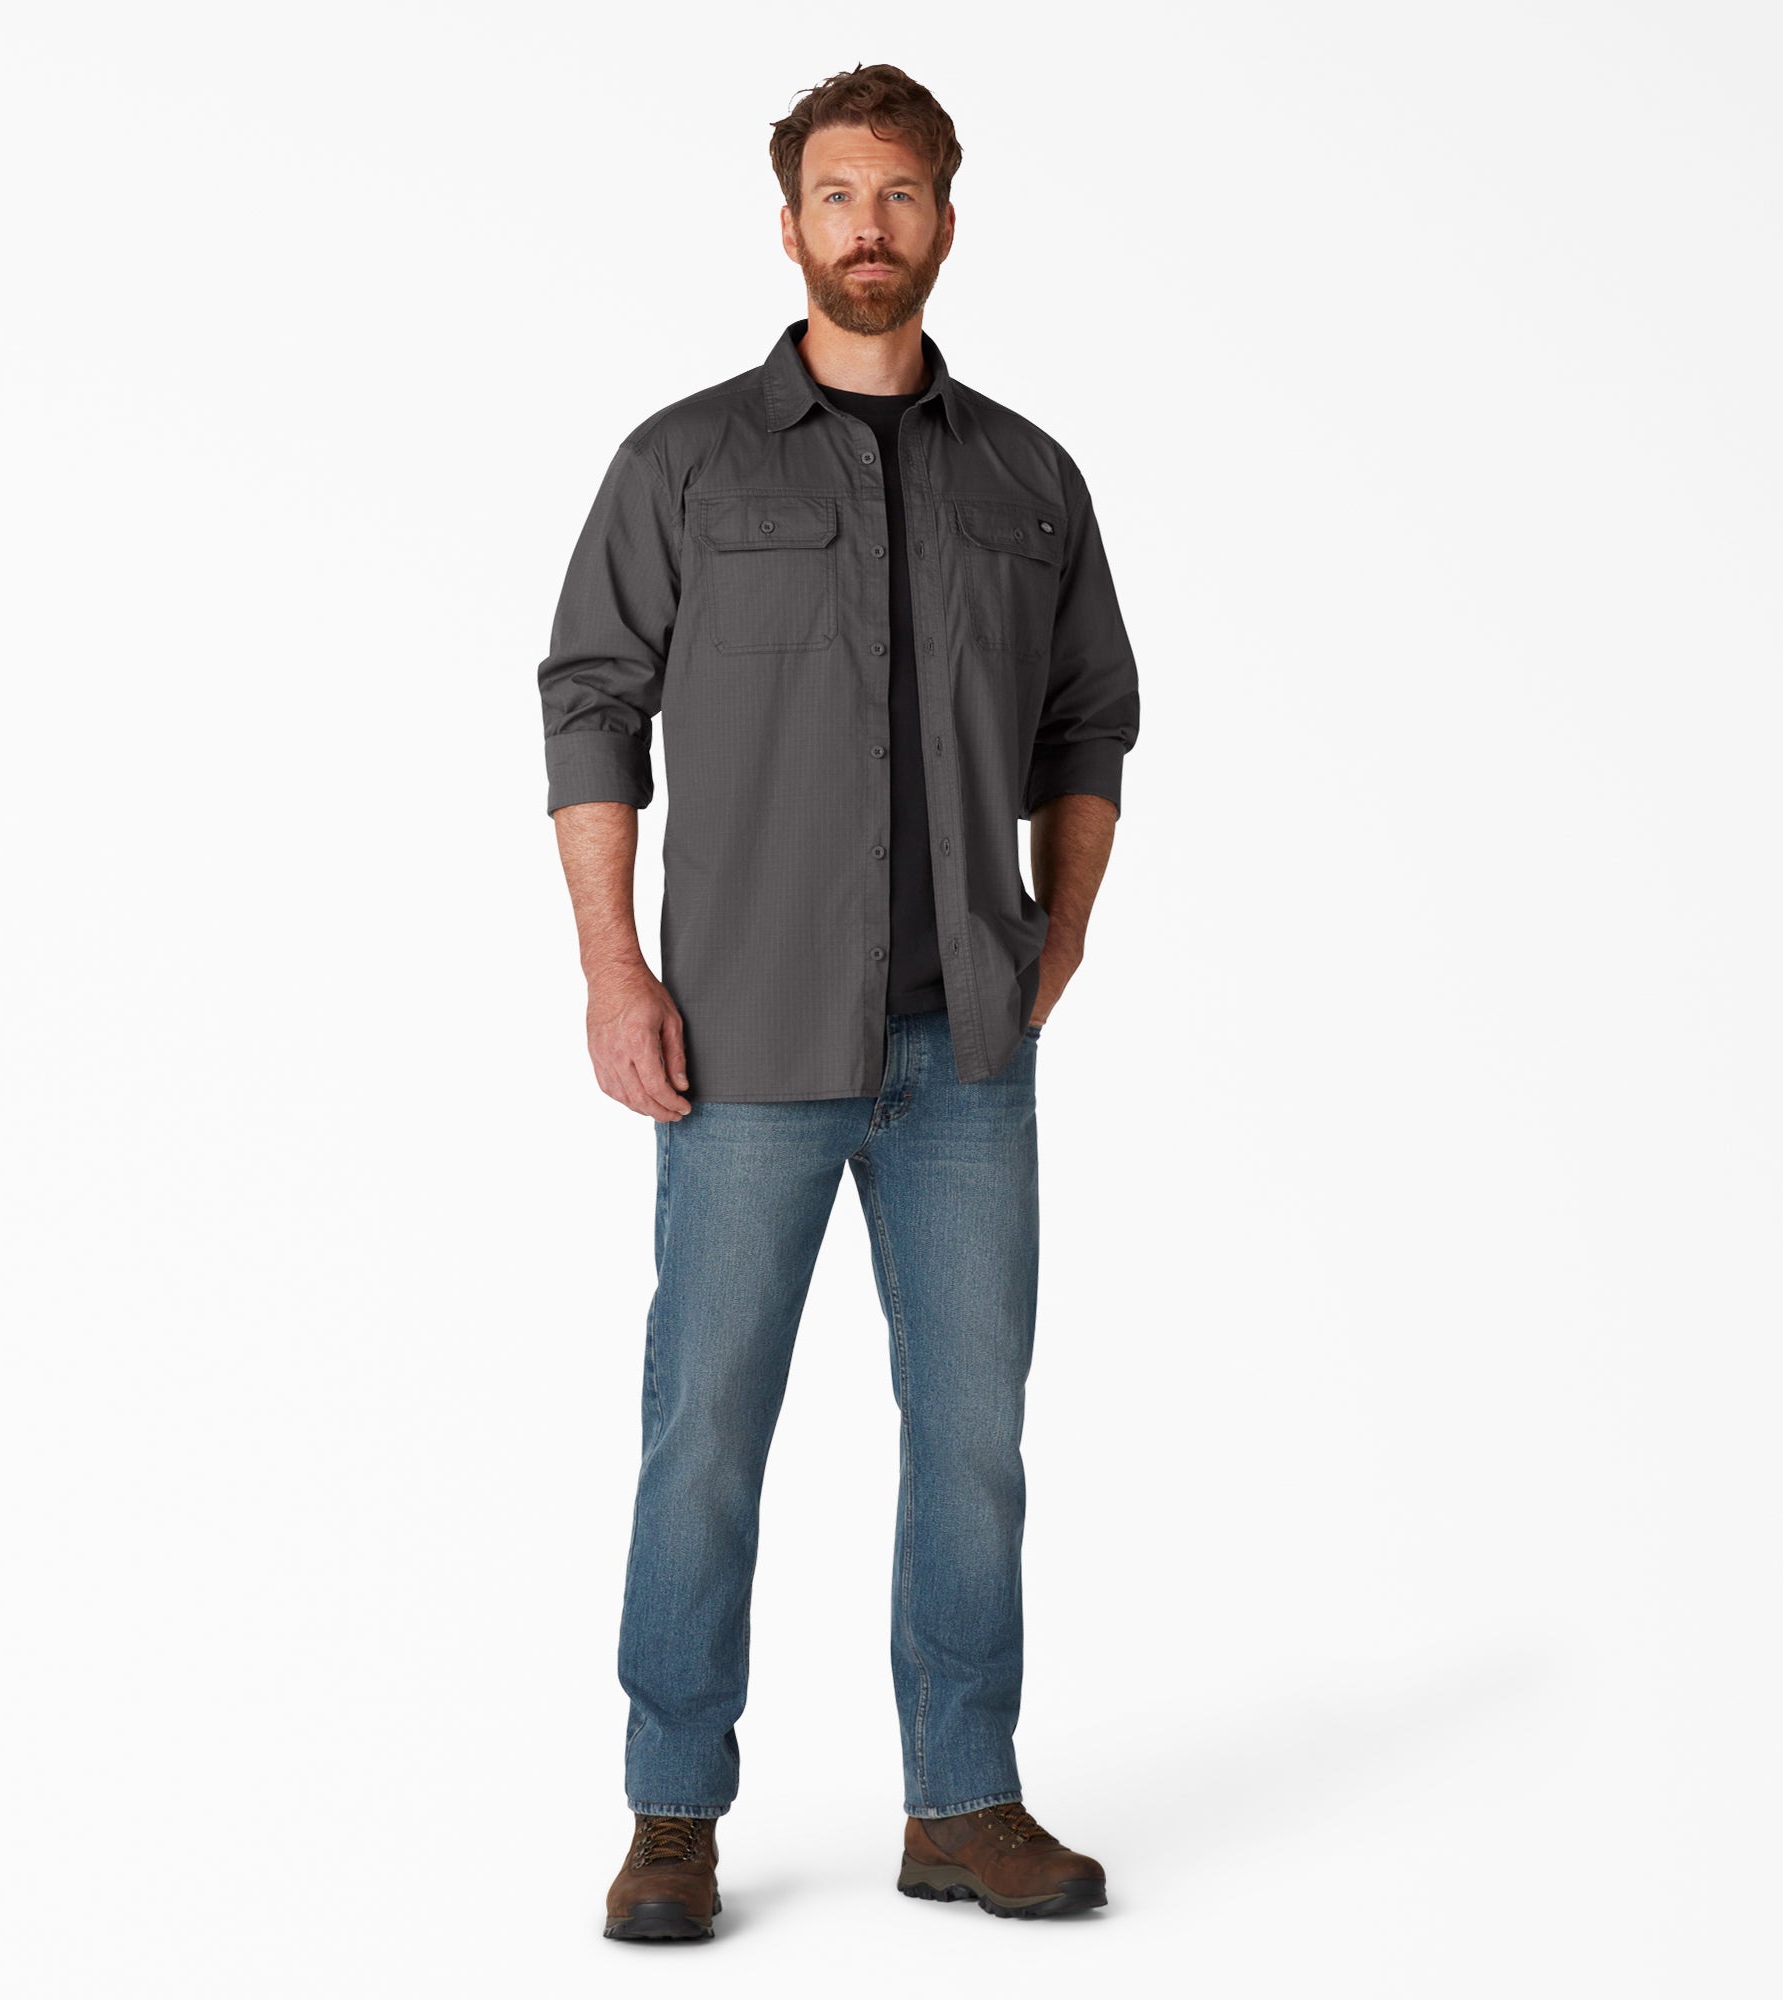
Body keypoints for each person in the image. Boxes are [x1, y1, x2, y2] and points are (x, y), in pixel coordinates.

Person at [537, 62, 1140, 1942]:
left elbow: (1090, 722)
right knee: (704, 1431)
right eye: (835, 195)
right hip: (744, 1047)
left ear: (946, 217)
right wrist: (614, 970)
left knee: (971, 1443)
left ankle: (963, 1801)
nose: (868, 228)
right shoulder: (684, 464)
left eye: (899, 195)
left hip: (966, 1056)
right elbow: (591, 706)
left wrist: (1057, 933)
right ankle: (670, 1816)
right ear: (789, 223)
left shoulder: (1030, 480)